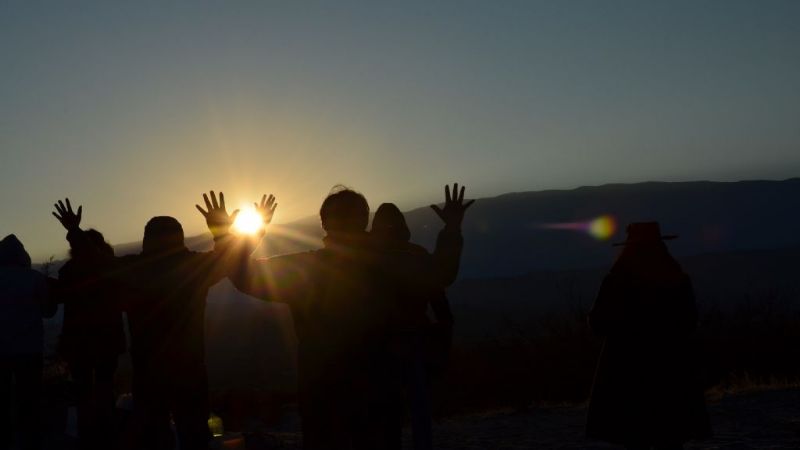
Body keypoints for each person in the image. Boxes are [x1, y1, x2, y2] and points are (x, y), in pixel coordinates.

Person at [225, 184, 470, 450]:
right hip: (379, 384)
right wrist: (452, 229)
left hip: (321, 386)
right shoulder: (393, 262)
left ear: (324, 223)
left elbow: (242, 275)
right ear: (364, 219)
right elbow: (442, 273)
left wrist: (250, 232)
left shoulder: (305, 268)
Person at [52, 194, 244, 450]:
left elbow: (96, 262)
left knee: (154, 435)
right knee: (194, 433)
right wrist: (221, 229)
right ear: (180, 237)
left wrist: (74, 230)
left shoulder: (135, 268)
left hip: (148, 369)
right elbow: (228, 257)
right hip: (190, 366)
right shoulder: (195, 266)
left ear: (146, 239)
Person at [586, 222, 711, 450]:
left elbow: (598, 322)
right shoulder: (678, 280)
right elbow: (689, 322)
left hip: (627, 371)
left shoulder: (615, 282)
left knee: (634, 436)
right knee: (671, 436)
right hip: (672, 369)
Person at [371, 203, 457, 450]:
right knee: (416, 407)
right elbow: (439, 295)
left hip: (385, 346)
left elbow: (439, 296)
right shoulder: (416, 255)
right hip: (408, 343)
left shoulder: (367, 259)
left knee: (392, 410)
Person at [55, 229, 126, 450]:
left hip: (78, 341)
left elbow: (61, 296)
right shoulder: (113, 268)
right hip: (108, 338)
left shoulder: (69, 270)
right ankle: (108, 435)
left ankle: (87, 438)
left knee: (83, 390)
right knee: (105, 387)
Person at [0, 234, 55, 450]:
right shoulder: (34, 278)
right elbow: (48, 311)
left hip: (1, 352)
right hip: (29, 350)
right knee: (29, 401)